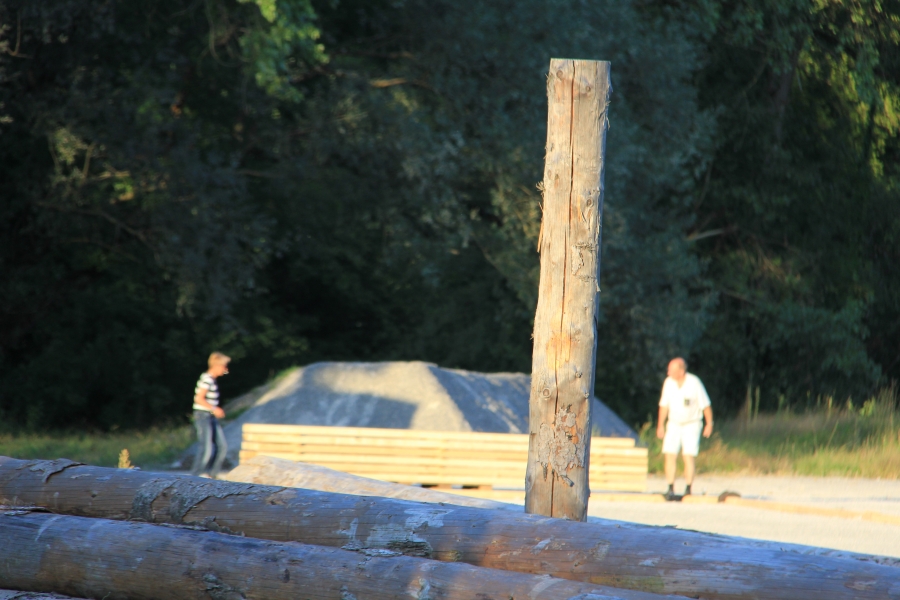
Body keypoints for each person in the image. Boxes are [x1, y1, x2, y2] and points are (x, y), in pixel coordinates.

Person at [656, 357, 713, 500]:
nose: (668, 373)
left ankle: (688, 488)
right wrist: (660, 425)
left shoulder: (694, 383)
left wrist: (709, 423)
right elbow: (664, 405)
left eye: (671, 370)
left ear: (681, 371)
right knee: (670, 454)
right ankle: (670, 488)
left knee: (688, 455)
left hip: (691, 423)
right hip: (674, 423)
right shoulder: (668, 383)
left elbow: (705, 405)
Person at [191, 352, 230, 478]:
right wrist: (214, 409)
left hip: (210, 416)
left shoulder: (212, 380)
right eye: (224, 366)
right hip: (203, 415)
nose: (226, 370)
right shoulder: (206, 379)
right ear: (217, 366)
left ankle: (212, 475)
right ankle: (196, 475)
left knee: (222, 446)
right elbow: (198, 398)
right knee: (206, 447)